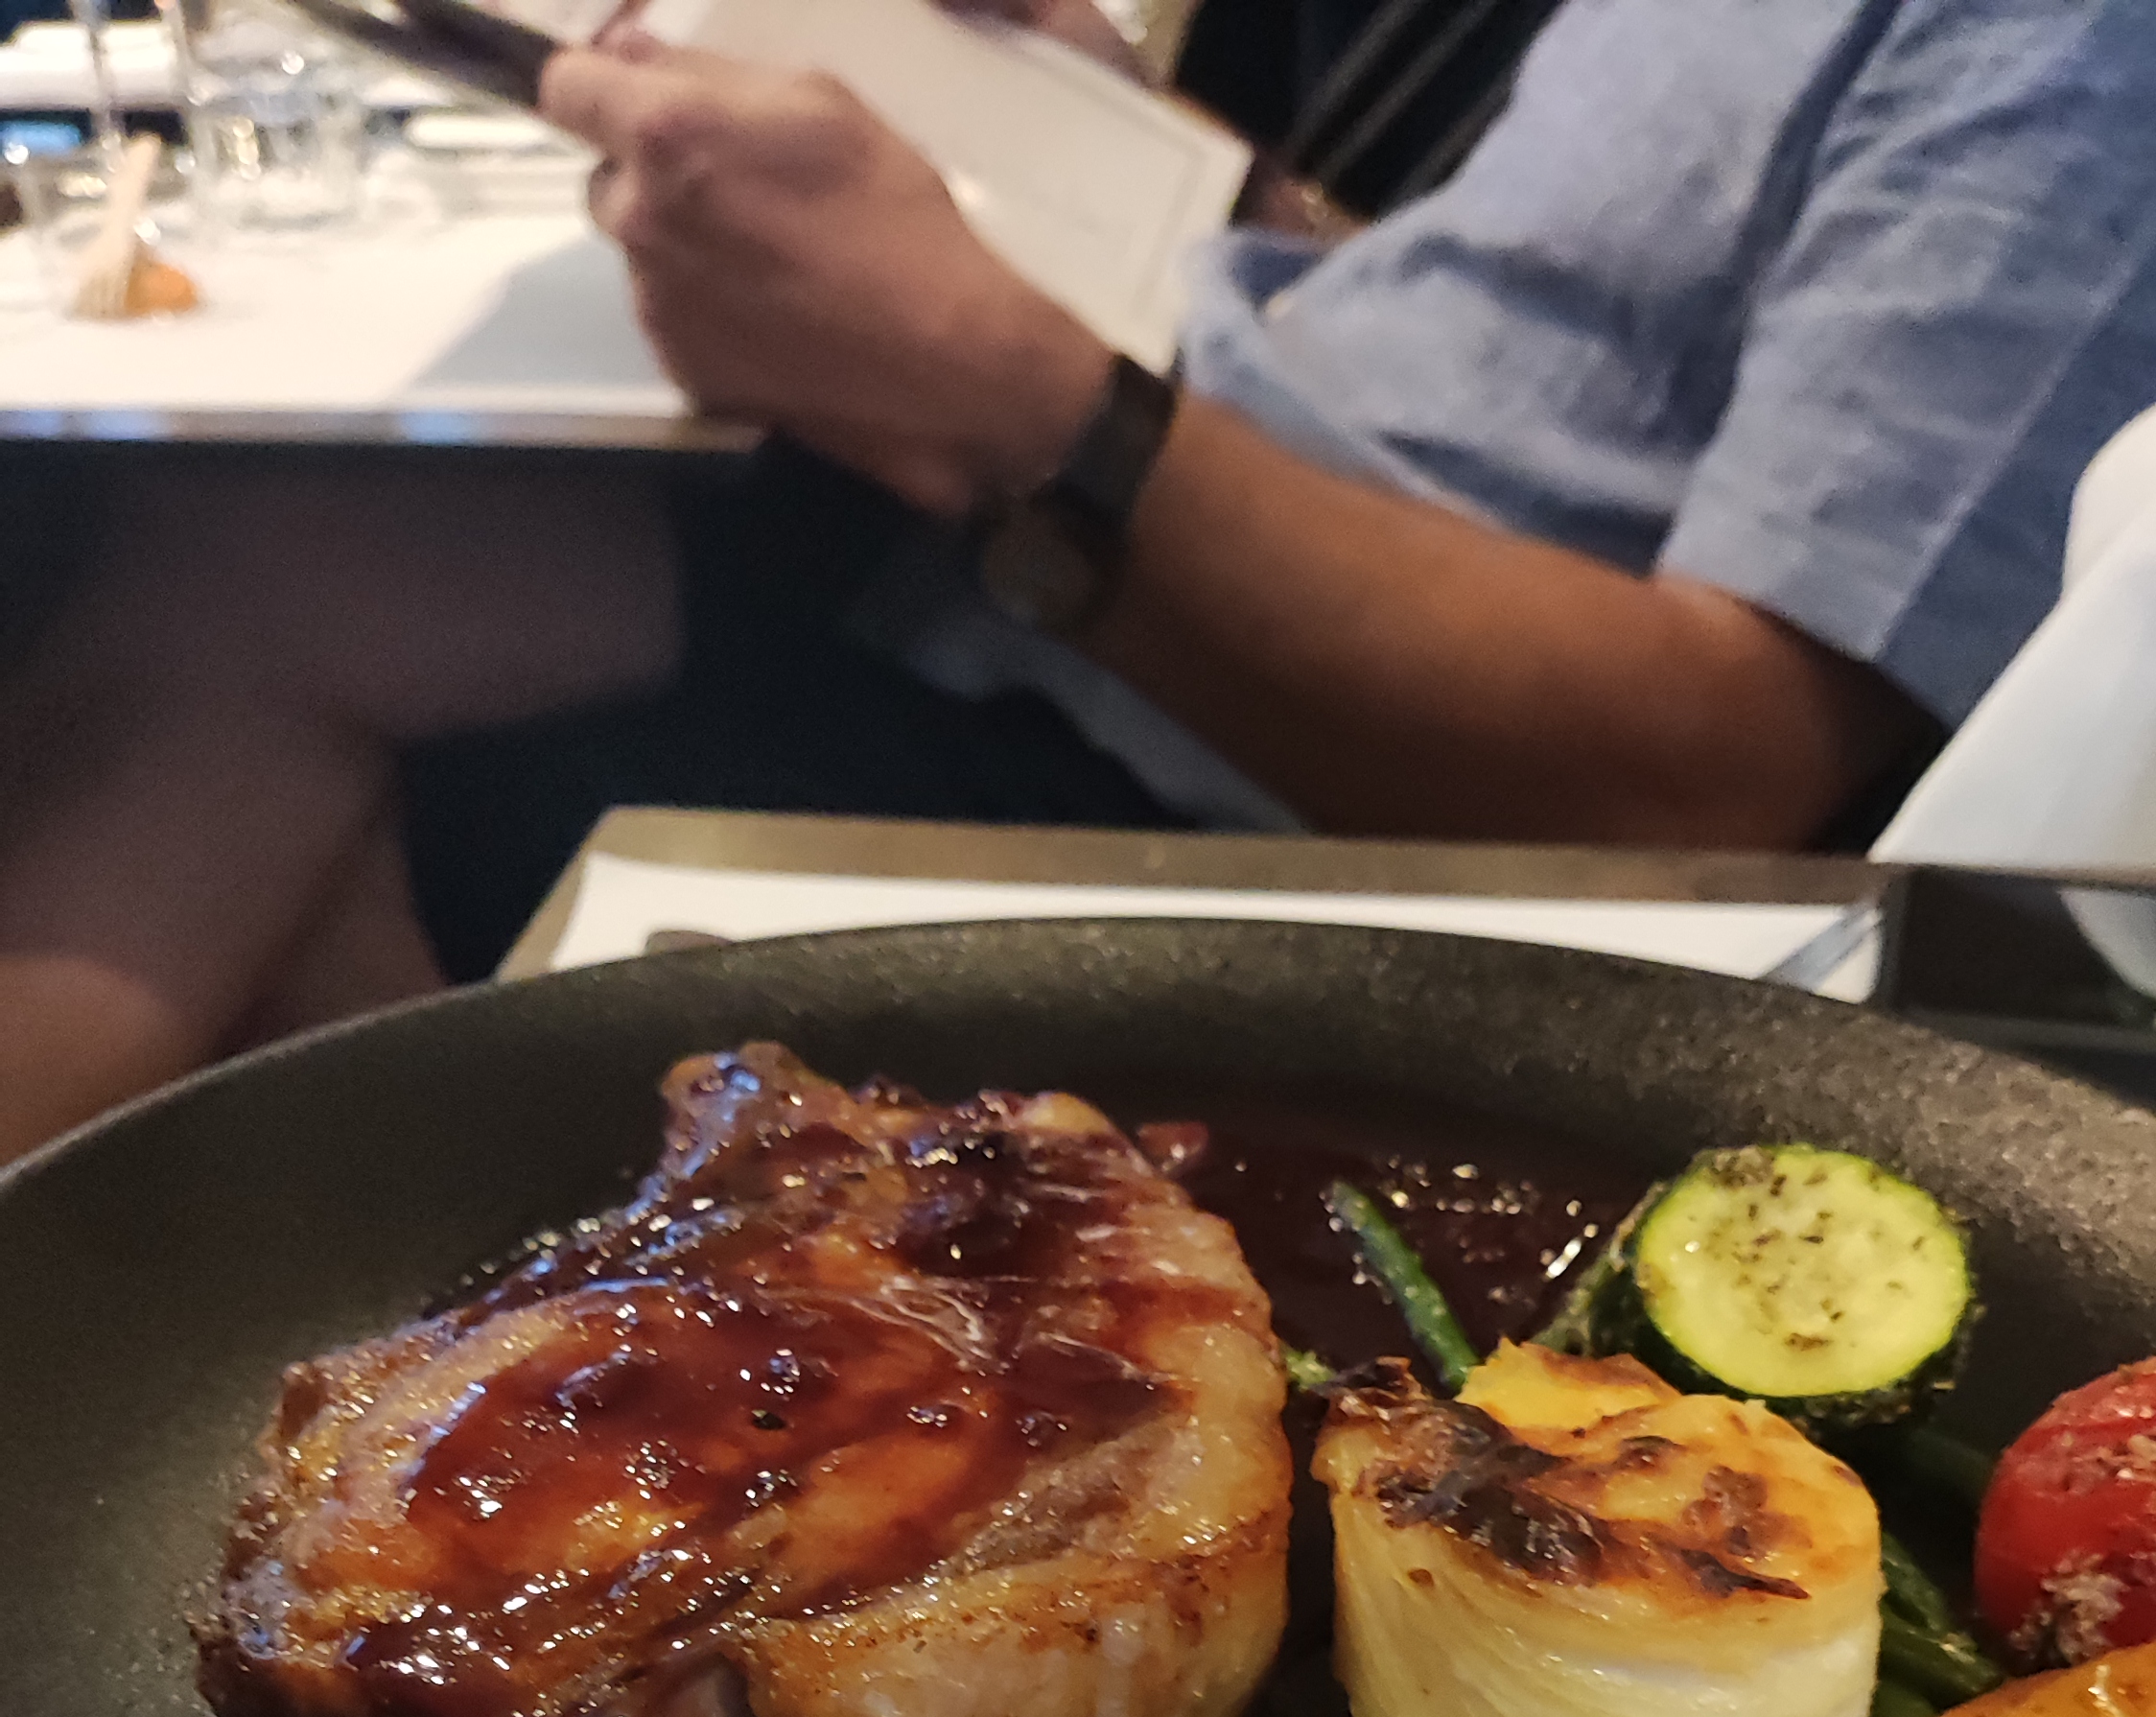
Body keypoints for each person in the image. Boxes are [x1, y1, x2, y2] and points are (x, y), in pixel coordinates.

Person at [2, 0, 2154, 1162]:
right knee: (258, 551)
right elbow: (1532, 365)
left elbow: (1716, 770)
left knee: (251, 621)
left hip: (1272, 746)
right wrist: (1126, 140)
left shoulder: (2072, 52)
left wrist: (1005, 395)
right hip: (1096, 531)